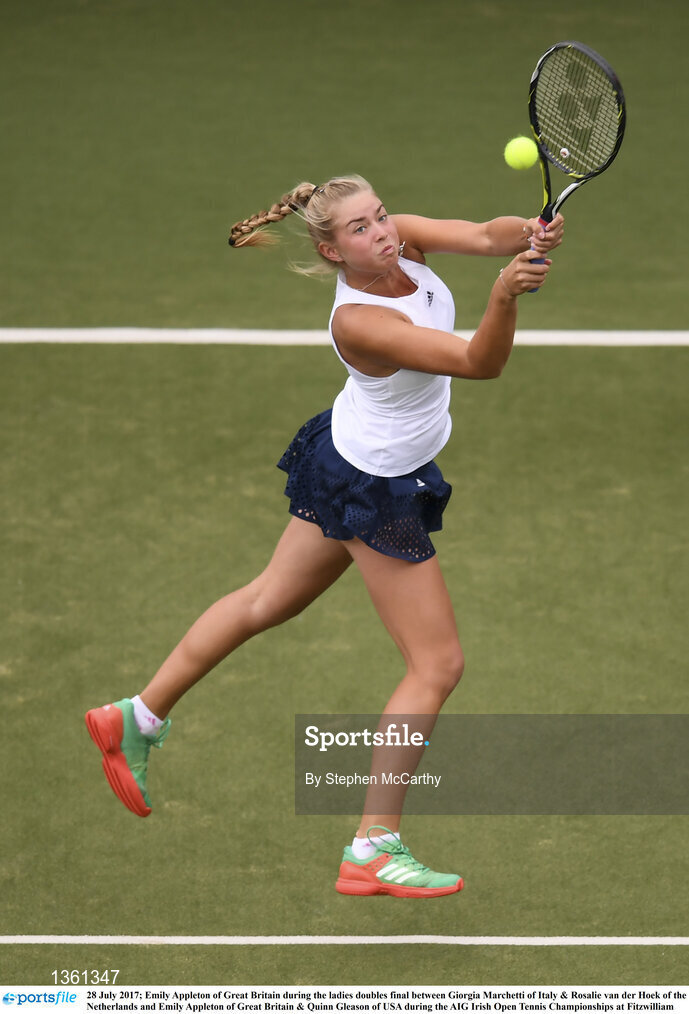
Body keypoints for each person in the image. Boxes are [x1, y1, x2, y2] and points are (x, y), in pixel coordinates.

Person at [86, 174, 563, 899]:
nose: (382, 233)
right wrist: (502, 296)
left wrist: (526, 235)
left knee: (265, 601)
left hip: (342, 453)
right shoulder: (359, 323)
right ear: (330, 249)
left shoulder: (400, 239)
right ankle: (372, 845)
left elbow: (480, 235)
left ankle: (136, 715)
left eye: (380, 217)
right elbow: (479, 363)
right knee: (435, 666)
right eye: (362, 230)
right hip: (371, 487)